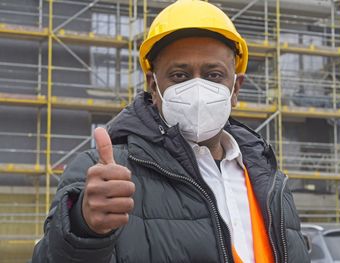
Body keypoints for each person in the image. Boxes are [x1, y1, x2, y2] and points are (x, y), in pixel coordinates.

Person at [31, 0, 310, 262]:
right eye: (180, 75)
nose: (198, 89)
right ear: (154, 86)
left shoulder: (272, 181)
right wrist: (82, 227)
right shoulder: (103, 174)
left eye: (214, 75)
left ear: (235, 88)